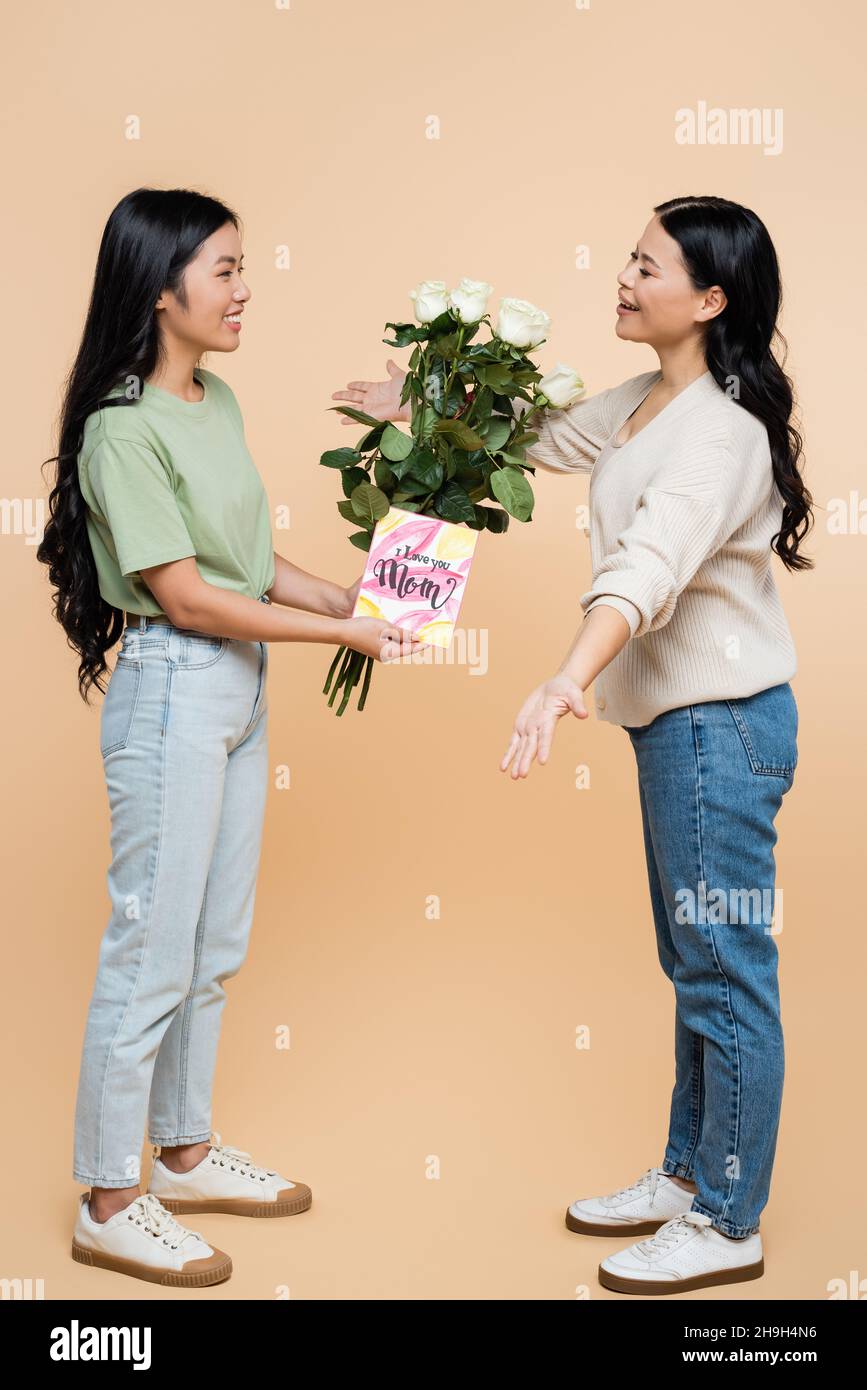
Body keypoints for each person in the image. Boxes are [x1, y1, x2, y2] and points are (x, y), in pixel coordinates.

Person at [332, 195, 813, 1296]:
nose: (624, 277)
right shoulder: (649, 403)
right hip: (684, 733)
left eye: (648, 266)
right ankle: (691, 1178)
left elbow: (646, 567)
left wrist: (566, 677)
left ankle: (728, 1218)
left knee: (727, 975)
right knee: (697, 968)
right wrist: (415, 405)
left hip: (720, 730)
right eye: (629, 258)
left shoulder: (721, 434)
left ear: (710, 300)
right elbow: (542, 439)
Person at [37, 187, 422, 1288]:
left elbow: (250, 569)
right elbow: (186, 597)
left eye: (245, 266)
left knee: (213, 946)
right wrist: (335, 630)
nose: (245, 288)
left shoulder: (219, 399)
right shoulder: (120, 428)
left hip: (241, 690)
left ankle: (188, 1153)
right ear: (161, 290)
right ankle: (112, 1199)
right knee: (149, 951)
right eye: (224, 270)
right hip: (175, 689)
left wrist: (350, 596)